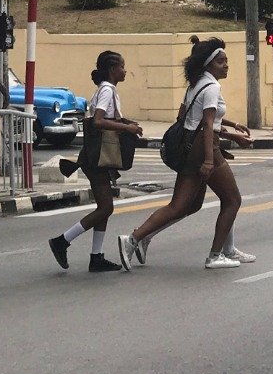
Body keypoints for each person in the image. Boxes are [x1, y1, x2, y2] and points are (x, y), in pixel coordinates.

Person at [118, 37, 255, 270]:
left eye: (226, 61)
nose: (226, 65)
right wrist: (210, 159)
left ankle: (134, 239)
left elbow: (187, 116)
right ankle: (216, 255)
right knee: (232, 199)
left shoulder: (196, 84)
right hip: (205, 149)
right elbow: (208, 123)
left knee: (184, 205)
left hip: (190, 148)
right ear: (209, 64)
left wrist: (232, 130)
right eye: (221, 62)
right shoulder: (212, 87)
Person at [49, 51, 143, 273]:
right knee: (106, 208)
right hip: (97, 158)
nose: (125, 70)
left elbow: (105, 119)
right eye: (122, 66)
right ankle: (62, 241)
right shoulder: (108, 90)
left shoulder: (107, 90)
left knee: (104, 208)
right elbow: (99, 121)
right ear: (112, 70)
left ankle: (96, 257)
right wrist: (126, 128)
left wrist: (127, 123)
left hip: (97, 158)